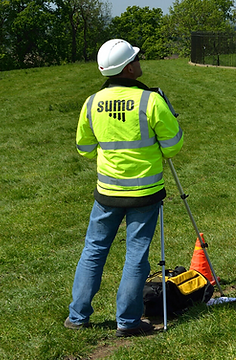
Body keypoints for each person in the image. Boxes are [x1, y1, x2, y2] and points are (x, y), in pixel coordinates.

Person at [65, 39, 184, 337]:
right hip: (144, 193)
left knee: (93, 250)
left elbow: (84, 147)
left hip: (106, 192)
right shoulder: (151, 101)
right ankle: (128, 322)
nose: (140, 62)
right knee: (136, 256)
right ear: (129, 68)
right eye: (136, 59)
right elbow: (173, 145)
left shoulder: (92, 102)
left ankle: (77, 317)